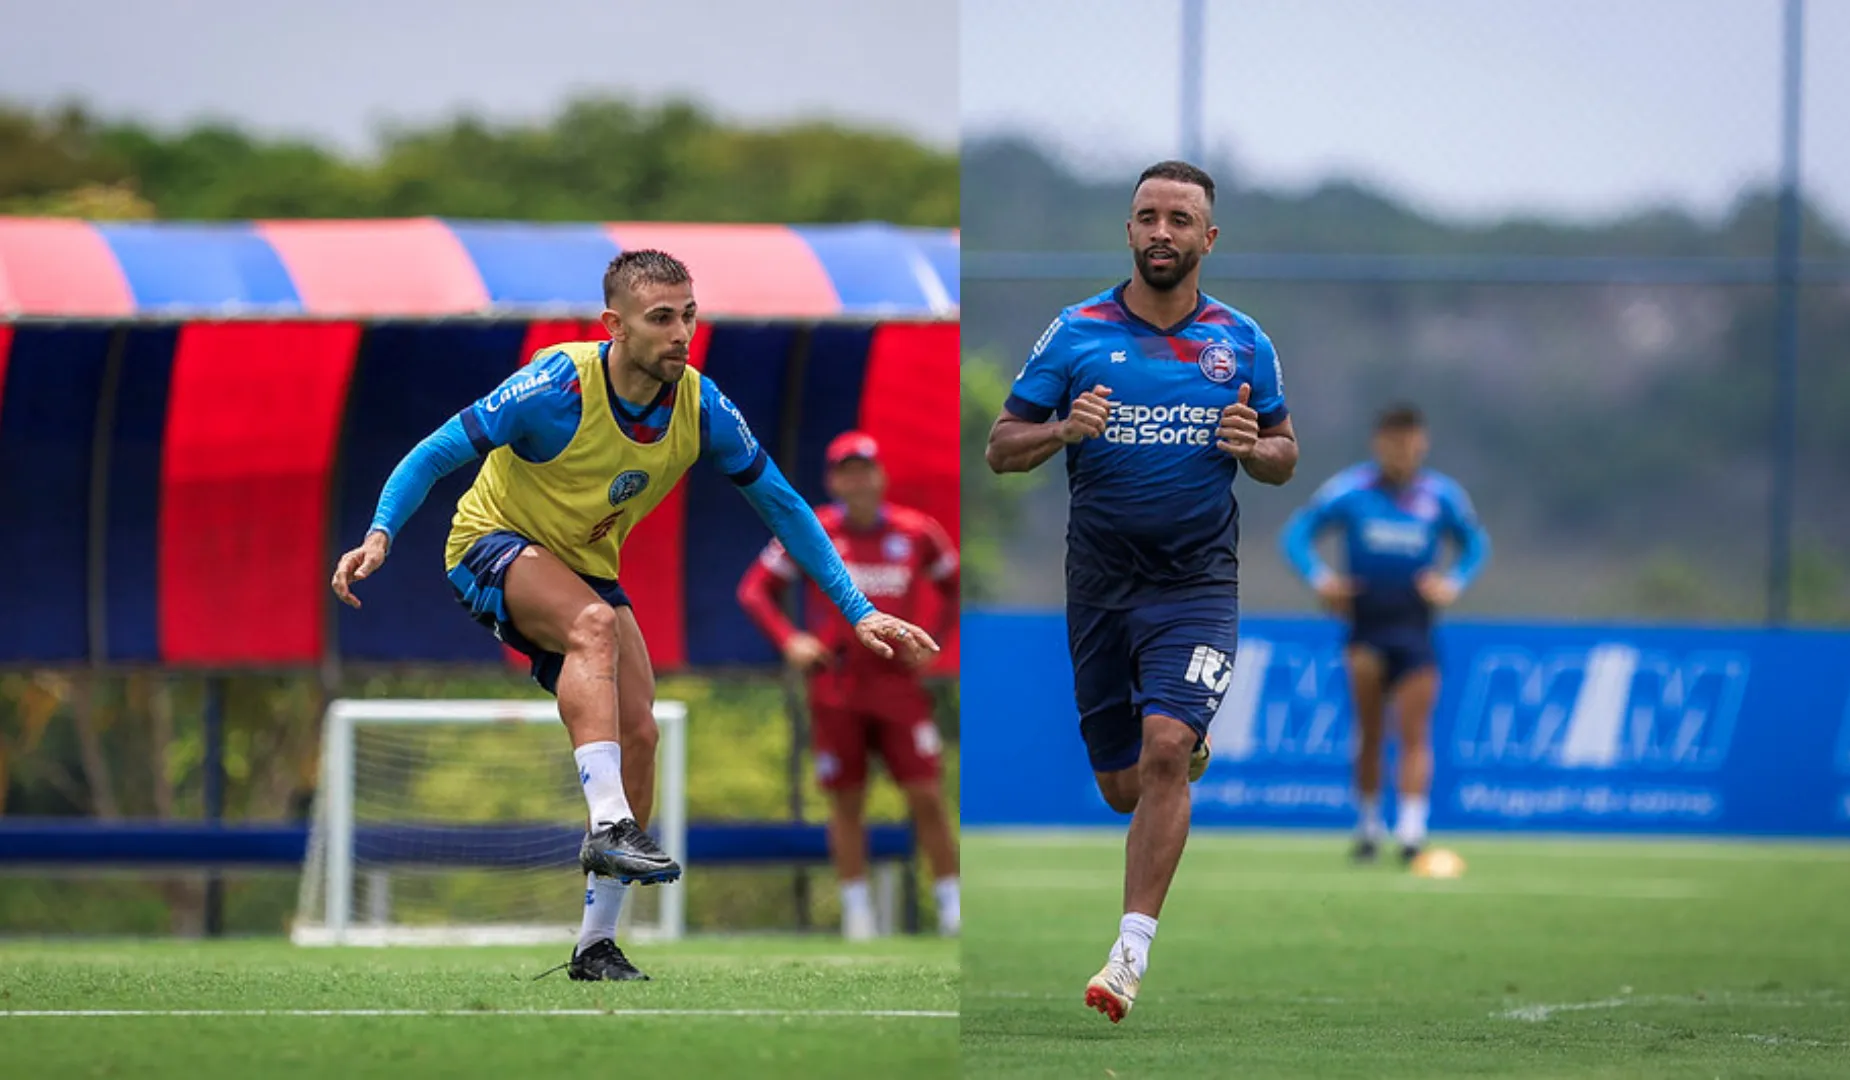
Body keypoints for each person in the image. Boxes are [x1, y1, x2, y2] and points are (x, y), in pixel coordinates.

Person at [329, 250, 937, 982]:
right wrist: (379, 533)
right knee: (593, 627)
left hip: (585, 571)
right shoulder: (554, 386)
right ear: (614, 326)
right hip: (487, 548)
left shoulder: (702, 406)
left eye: (688, 315)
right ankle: (611, 824)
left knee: (641, 732)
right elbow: (431, 455)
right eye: (661, 319)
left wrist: (859, 609)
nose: (681, 333)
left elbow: (783, 504)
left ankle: (595, 945)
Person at [985, 160, 1299, 1023]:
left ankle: (1127, 956)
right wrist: (1061, 429)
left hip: (1198, 585)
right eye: (1147, 217)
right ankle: (1178, 753)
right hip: (1099, 587)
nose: (1162, 232)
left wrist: (1251, 445)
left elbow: (1283, 454)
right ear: (1129, 230)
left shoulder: (1242, 342)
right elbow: (1000, 446)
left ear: (1208, 237)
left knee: (1165, 749)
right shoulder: (1077, 332)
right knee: (1124, 786)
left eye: (1179, 219)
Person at [736, 431, 962, 940]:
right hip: (836, 684)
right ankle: (858, 915)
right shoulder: (813, 530)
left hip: (897, 684)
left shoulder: (916, 532)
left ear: (880, 476)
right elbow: (755, 590)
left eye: (866, 470)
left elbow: (953, 583)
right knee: (845, 799)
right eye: (847, 471)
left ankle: (951, 907)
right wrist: (790, 639)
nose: (858, 481)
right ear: (833, 480)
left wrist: (936, 644)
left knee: (926, 792)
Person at [1281, 404, 1489, 866]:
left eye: (1411, 443)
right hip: (1367, 625)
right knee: (1371, 731)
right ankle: (1370, 827)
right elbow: (1297, 535)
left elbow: (1476, 544)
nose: (1402, 452)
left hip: (1415, 625)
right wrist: (1322, 580)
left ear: (1423, 444)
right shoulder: (1351, 490)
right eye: (1394, 443)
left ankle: (1412, 832)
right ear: (1379, 444)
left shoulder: (1441, 496)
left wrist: (1451, 583)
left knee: (1415, 731)